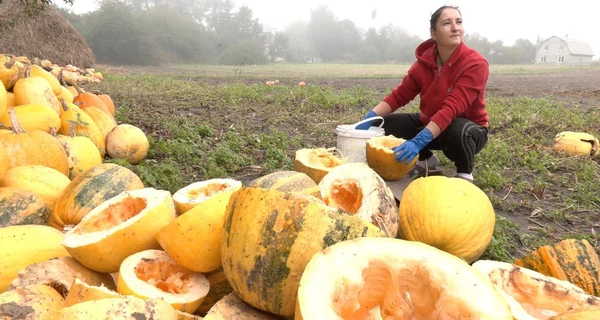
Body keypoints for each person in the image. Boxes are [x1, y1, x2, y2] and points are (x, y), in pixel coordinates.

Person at [356, 5, 489, 183]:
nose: (455, 27)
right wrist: (369, 118)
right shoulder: (423, 64)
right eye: (447, 23)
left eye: (458, 22)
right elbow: (399, 96)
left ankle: (465, 174)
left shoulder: (475, 64)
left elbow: (451, 110)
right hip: (432, 123)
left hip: (469, 130)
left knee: (458, 130)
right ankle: (426, 160)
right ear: (434, 33)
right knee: (383, 126)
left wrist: (419, 141)